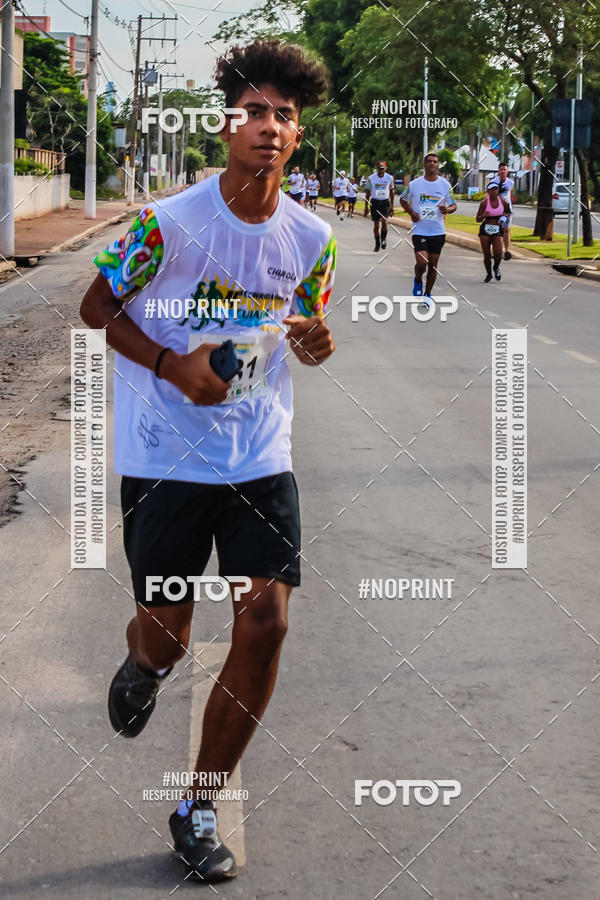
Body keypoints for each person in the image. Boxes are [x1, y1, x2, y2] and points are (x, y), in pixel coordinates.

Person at [80, 38, 336, 884]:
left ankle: (198, 805)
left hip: (260, 455)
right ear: (228, 124)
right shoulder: (168, 224)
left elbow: (304, 322)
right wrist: (170, 364)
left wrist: (316, 339)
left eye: (284, 115)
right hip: (164, 459)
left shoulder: (313, 237)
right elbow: (96, 306)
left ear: (298, 134)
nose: (269, 126)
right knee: (168, 632)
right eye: (254, 111)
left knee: (267, 623)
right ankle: (146, 663)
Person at [400, 152, 456, 307]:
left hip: (438, 232)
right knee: (422, 262)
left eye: (435, 162)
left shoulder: (445, 185)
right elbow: (402, 199)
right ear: (424, 164)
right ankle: (418, 279)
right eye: (430, 161)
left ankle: (427, 295)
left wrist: (447, 209)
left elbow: (453, 204)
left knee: (433, 265)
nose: (432, 164)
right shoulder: (414, 184)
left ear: (438, 165)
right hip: (420, 231)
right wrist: (411, 212)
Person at [475, 181, 509, 282]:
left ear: (498, 190)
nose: (494, 191)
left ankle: (496, 267)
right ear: (488, 191)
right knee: (487, 254)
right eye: (492, 190)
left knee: (498, 253)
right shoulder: (484, 203)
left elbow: (508, 211)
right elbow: (477, 219)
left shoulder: (502, 201)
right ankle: (489, 274)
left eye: (495, 189)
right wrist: (483, 215)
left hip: (497, 228)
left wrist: (503, 217)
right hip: (485, 229)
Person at [364, 161, 394, 251]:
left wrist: (392, 207)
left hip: (385, 202)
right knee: (376, 225)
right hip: (375, 202)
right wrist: (366, 207)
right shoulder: (371, 178)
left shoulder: (390, 178)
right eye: (379, 169)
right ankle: (377, 243)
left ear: (385, 169)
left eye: (382, 169)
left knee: (384, 221)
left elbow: (391, 192)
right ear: (377, 169)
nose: (381, 170)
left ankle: (383, 239)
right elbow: (367, 193)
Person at [489, 162, 514, 260]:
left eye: (505, 169)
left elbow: (510, 194)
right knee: (495, 230)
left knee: (506, 230)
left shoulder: (510, 182)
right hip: (496, 209)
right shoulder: (493, 182)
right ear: (498, 171)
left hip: (507, 209)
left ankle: (506, 250)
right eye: (501, 169)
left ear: (507, 171)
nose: (503, 171)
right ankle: (494, 251)